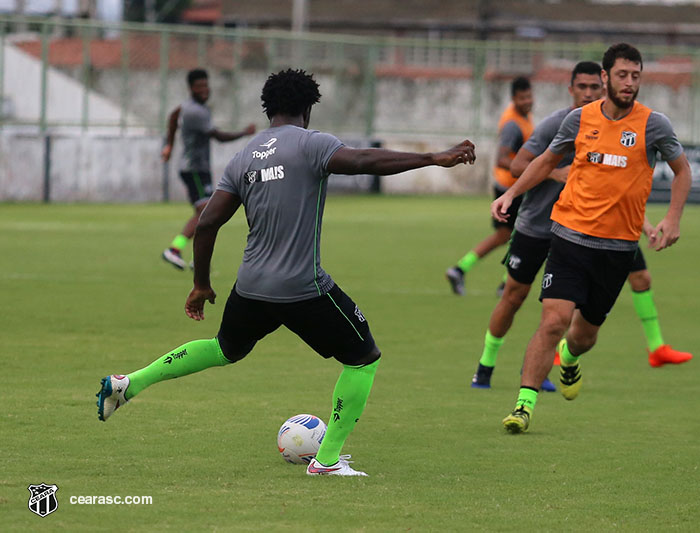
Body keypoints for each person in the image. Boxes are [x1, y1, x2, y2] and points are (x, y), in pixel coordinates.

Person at [97, 69, 476, 477]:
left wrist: (201, 283)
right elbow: (364, 160)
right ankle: (327, 460)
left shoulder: (243, 157)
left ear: (269, 108)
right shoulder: (312, 144)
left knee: (225, 348)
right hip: (301, 287)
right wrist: (433, 158)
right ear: (307, 108)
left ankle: (128, 383)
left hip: (251, 287)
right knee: (364, 358)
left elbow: (206, 223)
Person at [491, 44, 692, 433]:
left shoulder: (655, 125)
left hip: (618, 249)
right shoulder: (579, 120)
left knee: (582, 336)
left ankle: (569, 358)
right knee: (554, 320)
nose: (629, 83)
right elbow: (547, 160)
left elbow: (682, 171)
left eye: (636, 76)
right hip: (569, 237)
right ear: (605, 77)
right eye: (622, 75)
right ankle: (523, 405)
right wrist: (511, 193)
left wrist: (673, 218)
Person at [160, 68, 256, 270]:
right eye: (199, 86)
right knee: (207, 213)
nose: (204, 89)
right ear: (191, 88)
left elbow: (172, 117)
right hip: (194, 169)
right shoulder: (196, 111)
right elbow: (218, 136)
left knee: (206, 214)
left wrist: (168, 145)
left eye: (206, 85)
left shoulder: (188, 107)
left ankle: (194, 256)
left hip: (196, 168)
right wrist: (244, 133)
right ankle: (175, 250)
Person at [446, 76, 533, 296]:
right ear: (514, 99)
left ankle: (461, 269)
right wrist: (532, 169)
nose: (527, 101)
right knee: (526, 235)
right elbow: (501, 159)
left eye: (529, 96)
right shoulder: (513, 124)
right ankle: (506, 284)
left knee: (505, 236)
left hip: (511, 187)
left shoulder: (523, 118)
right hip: (510, 189)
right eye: (522, 98)